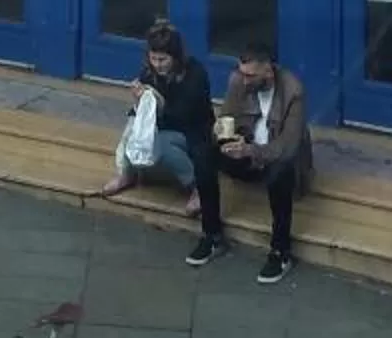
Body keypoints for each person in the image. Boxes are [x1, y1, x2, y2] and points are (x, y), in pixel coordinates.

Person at [102, 22, 224, 253]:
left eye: (163, 60)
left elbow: (187, 114)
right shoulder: (149, 72)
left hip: (193, 132)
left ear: (175, 57)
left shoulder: (194, 74)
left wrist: (159, 102)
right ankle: (125, 174)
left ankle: (197, 186)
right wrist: (140, 102)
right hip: (163, 127)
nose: (158, 65)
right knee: (132, 130)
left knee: (163, 145)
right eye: (154, 59)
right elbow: (143, 115)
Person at [215, 42, 312, 284]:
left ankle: (280, 252)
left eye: (250, 75)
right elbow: (226, 118)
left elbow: (287, 148)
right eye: (241, 73)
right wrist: (222, 134)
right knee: (205, 151)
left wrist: (251, 150)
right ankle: (211, 233)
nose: (244, 80)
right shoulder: (238, 81)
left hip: (274, 159)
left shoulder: (293, 92)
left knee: (280, 170)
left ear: (268, 71)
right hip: (247, 154)